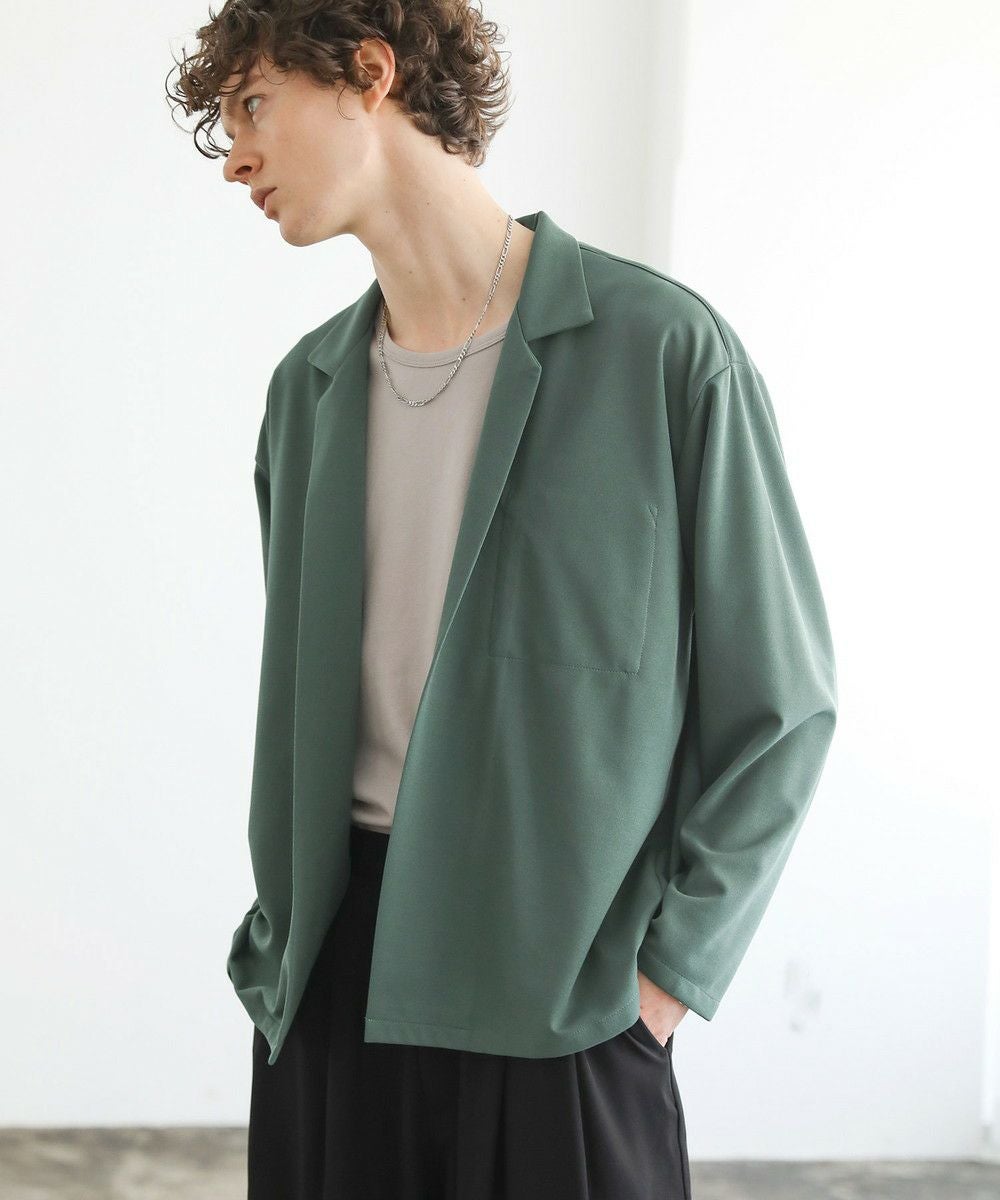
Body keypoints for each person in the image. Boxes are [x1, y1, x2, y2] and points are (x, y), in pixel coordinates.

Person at [166, 3, 838, 1197]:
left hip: (562, 991)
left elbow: (779, 705)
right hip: (332, 981)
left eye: (254, 104)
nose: (236, 157)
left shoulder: (662, 354)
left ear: (368, 73)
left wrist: (664, 982)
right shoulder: (305, 395)